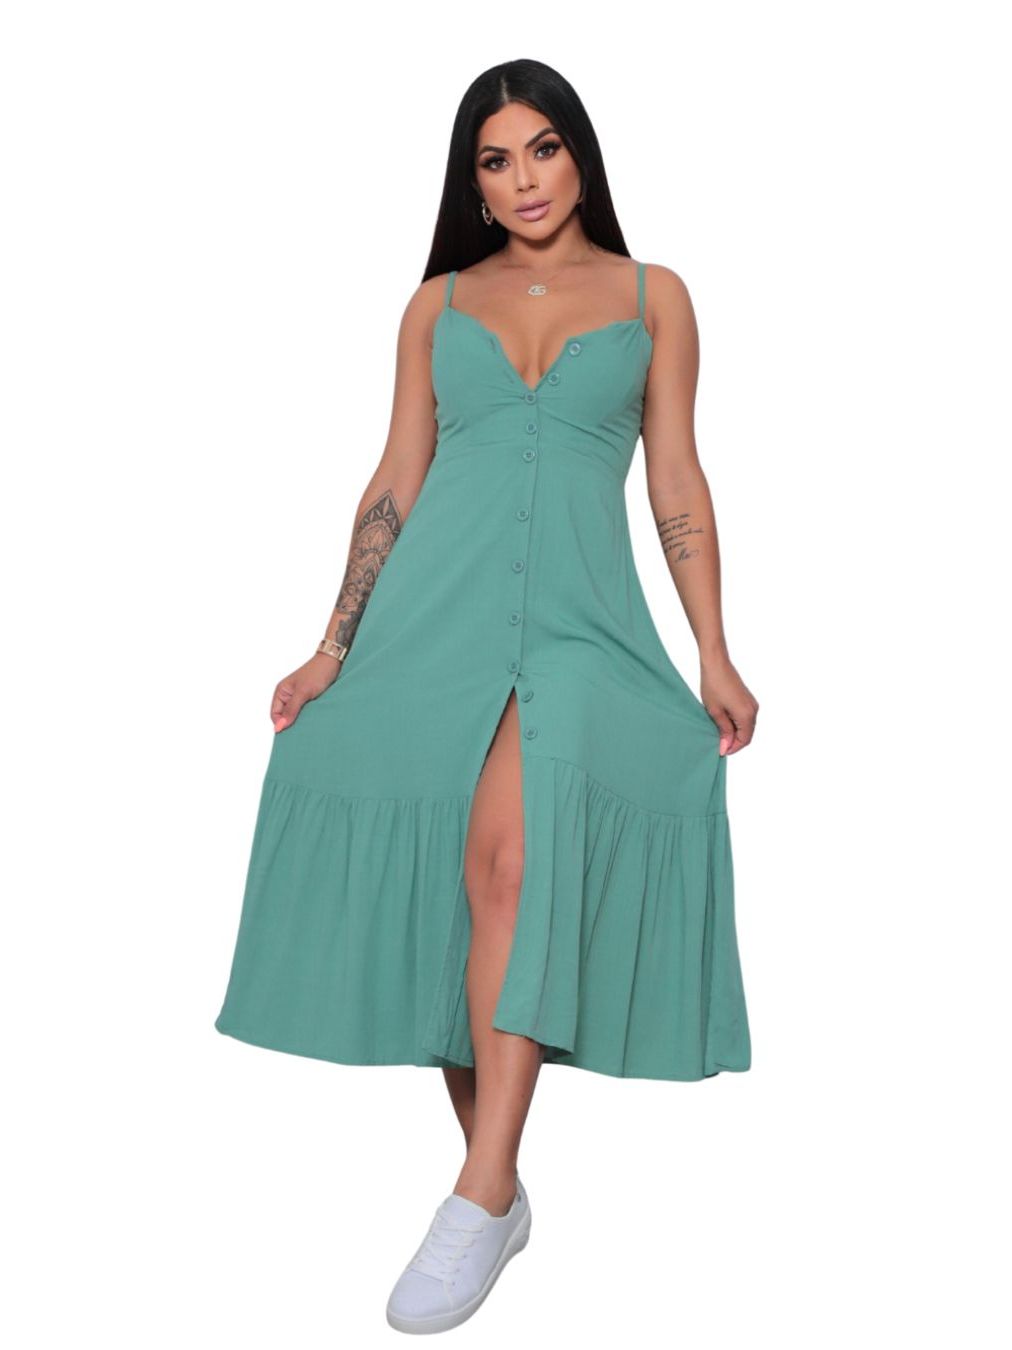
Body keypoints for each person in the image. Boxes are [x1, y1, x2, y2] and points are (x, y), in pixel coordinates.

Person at [214, 57, 759, 1335]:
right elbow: (394, 479)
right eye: (495, 161)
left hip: (583, 625)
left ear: (582, 156)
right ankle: (496, 1190)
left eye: (543, 149)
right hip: (431, 622)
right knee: (460, 891)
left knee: (512, 862)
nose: (523, 180)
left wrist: (714, 650)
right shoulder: (436, 305)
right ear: (472, 183)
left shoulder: (653, 295)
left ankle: (476, 1196)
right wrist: (332, 648)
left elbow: (675, 477)